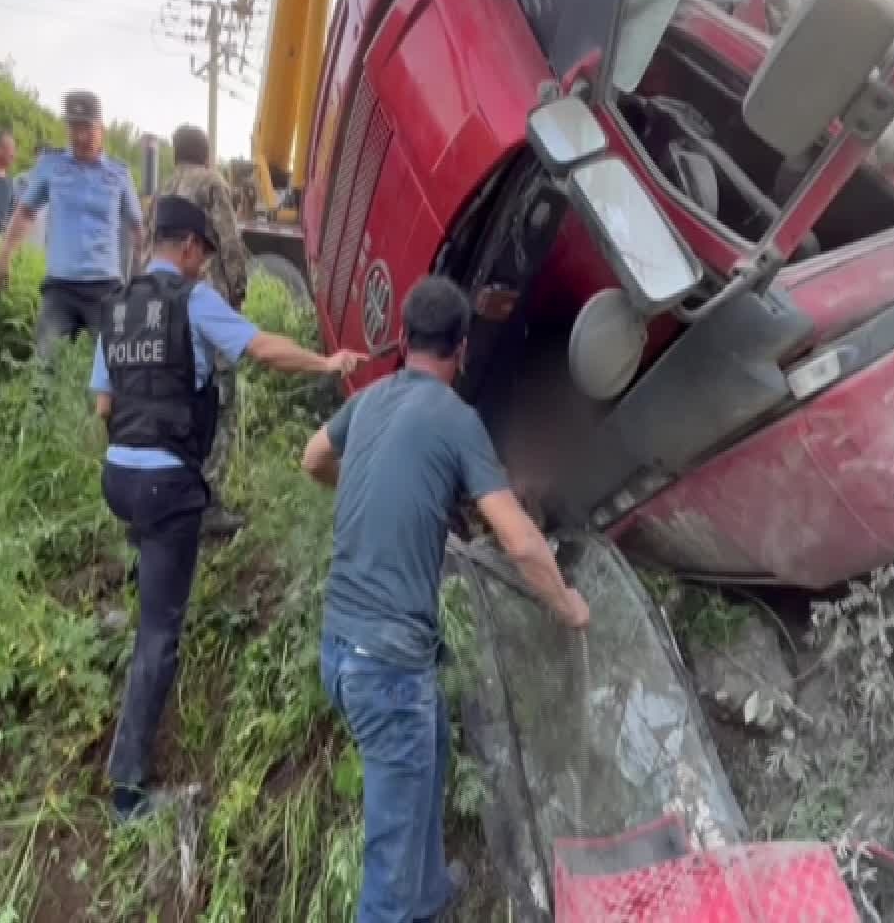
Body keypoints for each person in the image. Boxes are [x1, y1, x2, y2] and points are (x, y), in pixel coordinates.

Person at [301, 275, 590, 923]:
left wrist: (377, 490)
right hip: (386, 667)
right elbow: (517, 541)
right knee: (387, 875)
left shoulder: (371, 399)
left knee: (429, 748)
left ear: (403, 341)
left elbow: (312, 457)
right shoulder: (458, 421)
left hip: (341, 648)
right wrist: (568, 605)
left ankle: (430, 891)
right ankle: (405, 901)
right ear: (461, 350)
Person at [92, 192, 365, 820]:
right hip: (168, 484)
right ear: (189, 249)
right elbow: (262, 348)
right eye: (203, 257)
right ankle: (128, 791)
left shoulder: (120, 306)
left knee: (151, 558)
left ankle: (138, 599)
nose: (203, 268)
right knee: (161, 633)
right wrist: (326, 362)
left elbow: (103, 407)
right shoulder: (191, 300)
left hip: (120, 479)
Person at [0, 91, 144, 360]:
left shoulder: (119, 175)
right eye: (74, 127)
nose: (80, 137)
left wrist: (140, 281)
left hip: (105, 288)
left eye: (87, 127)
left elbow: (138, 229)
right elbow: (25, 212)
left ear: (101, 130)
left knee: (113, 371)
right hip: (60, 288)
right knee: (45, 367)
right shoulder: (51, 166)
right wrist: (5, 255)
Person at [159, 124, 251, 534]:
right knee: (222, 399)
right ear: (206, 152)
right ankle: (207, 502)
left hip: (167, 306)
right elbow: (229, 243)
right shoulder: (213, 183)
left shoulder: (164, 188)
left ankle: (175, 489)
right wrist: (238, 294)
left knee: (181, 395)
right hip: (208, 302)